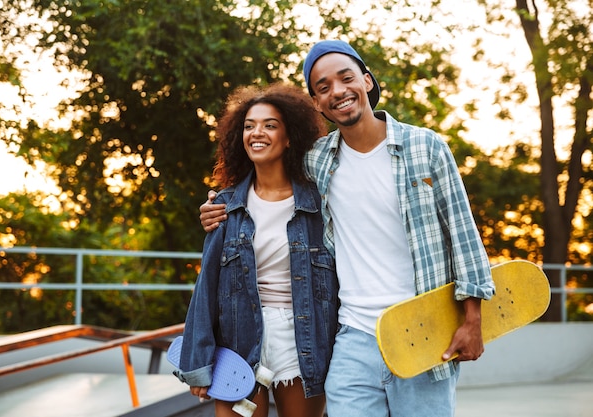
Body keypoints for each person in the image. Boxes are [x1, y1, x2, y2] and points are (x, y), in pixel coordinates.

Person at [199, 40, 496, 417]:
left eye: (345, 79)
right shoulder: (317, 162)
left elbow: (464, 236)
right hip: (352, 338)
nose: (337, 91)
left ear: (367, 81)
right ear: (318, 105)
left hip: (423, 330)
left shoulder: (427, 147)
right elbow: (264, 175)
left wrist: (473, 320)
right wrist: (217, 206)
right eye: (323, 88)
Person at [174, 83, 338, 417]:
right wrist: (199, 360)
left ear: (289, 137)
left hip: (303, 338)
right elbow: (207, 286)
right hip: (239, 339)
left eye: (269, 125)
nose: (256, 133)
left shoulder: (320, 202)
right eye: (249, 125)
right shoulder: (225, 205)